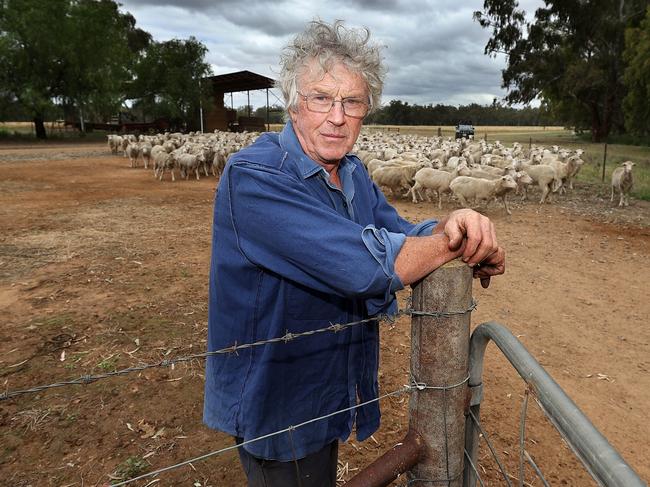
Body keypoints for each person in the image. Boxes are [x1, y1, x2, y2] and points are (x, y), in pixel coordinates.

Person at [203, 19, 505, 487]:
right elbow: (366, 265)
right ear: (293, 104)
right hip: (278, 405)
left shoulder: (353, 173)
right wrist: (450, 244)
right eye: (320, 98)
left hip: (324, 391)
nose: (337, 116)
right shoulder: (255, 178)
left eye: (353, 102)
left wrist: (453, 224)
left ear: (367, 110)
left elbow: (399, 233)